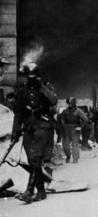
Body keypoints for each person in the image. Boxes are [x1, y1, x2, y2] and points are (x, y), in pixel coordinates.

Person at [12, 63, 58, 203]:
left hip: (43, 126)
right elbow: (18, 112)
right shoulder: (22, 91)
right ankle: (41, 191)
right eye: (29, 77)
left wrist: (41, 87)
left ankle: (30, 190)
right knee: (32, 160)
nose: (31, 80)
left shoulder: (45, 88)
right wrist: (15, 130)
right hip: (29, 127)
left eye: (34, 77)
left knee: (35, 157)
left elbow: (53, 100)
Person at [60, 97, 88, 163]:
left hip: (75, 129)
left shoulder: (78, 111)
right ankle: (68, 156)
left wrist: (81, 127)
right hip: (67, 130)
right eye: (68, 103)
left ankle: (75, 158)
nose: (69, 105)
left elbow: (85, 119)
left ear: (74, 103)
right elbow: (62, 120)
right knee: (65, 145)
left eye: (70, 103)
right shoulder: (65, 111)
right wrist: (63, 126)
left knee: (75, 144)